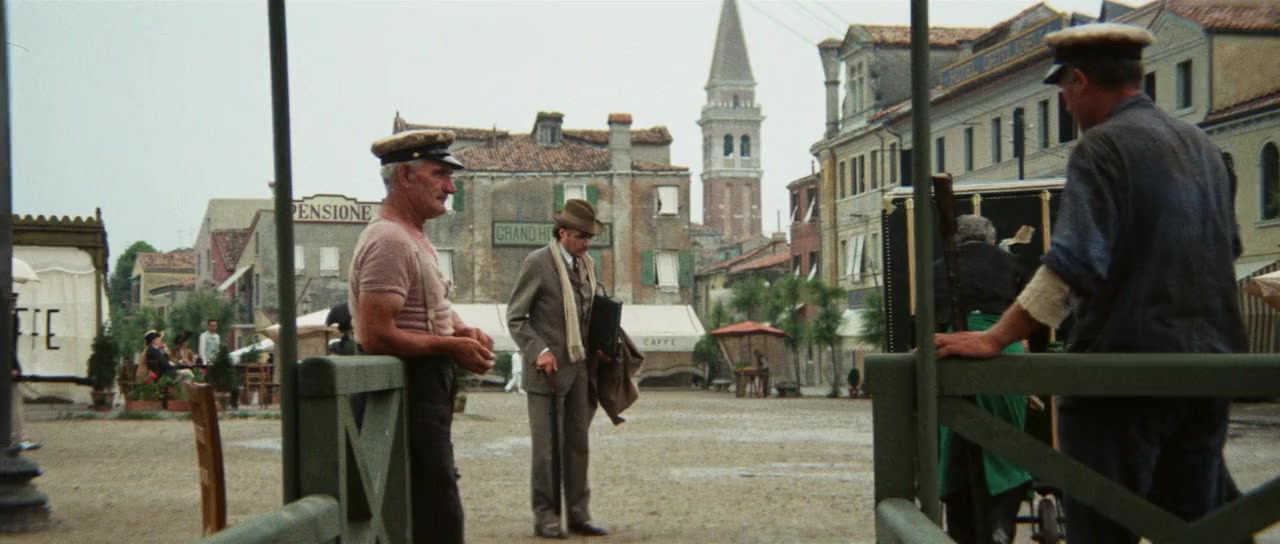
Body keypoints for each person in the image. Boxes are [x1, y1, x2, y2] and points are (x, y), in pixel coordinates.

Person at [934, 23, 1246, 544]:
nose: (1066, 105)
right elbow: (1228, 249)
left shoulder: (1102, 146)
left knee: (1102, 525)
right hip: (1210, 371)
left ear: (1078, 81)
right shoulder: (1202, 145)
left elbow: (1073, 265)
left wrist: (995, 338)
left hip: (1123, 374)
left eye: (1063, 92)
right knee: (1201, 523)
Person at [350, 128, 495, 544]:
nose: (451, 187)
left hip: (421, 388)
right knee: (433, 511)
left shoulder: (412, 235)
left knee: (434, 498)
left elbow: (427, 305)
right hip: (407, 391)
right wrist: (450, 346)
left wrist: (460, 329)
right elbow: (377, 336)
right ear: (404, 176)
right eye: (439, 174)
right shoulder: (391, 240)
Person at [507, 198, 612, 539]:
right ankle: (546, 517)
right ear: (562, 233)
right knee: (547, 449)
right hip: (547, 375)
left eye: (590, 237)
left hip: (580, 370)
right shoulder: (538, 263)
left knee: (578, 446)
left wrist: (603, 343)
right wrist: (538, 351)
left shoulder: (586, 266)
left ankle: (579, 515)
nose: (587, 243)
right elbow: (516, 317)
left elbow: (588, 314)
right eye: (581, 236)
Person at [933, 214, 1032, 544]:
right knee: (1008, 442)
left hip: (952, 350)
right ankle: (1001, 523)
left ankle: (961, 531)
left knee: (953, 446)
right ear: (991, 239)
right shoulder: (1011, 264)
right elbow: (1033, 314)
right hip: (1005, 350)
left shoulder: (938, 268)